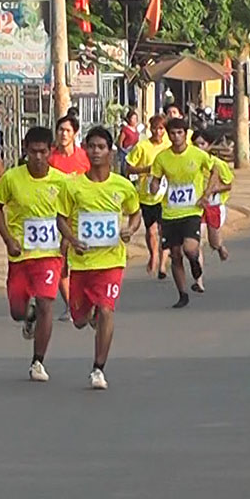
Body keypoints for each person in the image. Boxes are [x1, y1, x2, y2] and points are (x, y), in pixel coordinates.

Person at [56, 127, 141, 390]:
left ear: (110, 152)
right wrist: (71, 239)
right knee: (80, 320)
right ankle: (89, 313)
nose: (95, 152)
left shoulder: (122, 186)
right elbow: (61, 218)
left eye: (101, 147)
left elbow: (135, 212)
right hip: (82, 262)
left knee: (107, 309)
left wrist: (130, 228)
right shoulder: (73, 186)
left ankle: (98, 368)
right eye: (91, 147)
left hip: (111, 261)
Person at [0, 126, 67, 382]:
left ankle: (38, 362)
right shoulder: (12, 178)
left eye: (42, 152)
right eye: (32, 151)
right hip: (20, 255)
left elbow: (69, 216)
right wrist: (8, 239)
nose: (37, 157)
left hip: (49, 255)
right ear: (25, 150)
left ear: (50, 152)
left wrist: (67, 245)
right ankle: (28, 317)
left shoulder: (61, 182)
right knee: (17, 310)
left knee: (46, 302)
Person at [150, 117, 215, 307]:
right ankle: (182, 294)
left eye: (180, 133)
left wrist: (207, 193)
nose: (176, 136)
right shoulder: (162, 158)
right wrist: (153, 186)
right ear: (168, 136)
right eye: (172, 133)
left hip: (192, 210)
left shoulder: (197, 154)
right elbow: (156, 178)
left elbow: (214, 171)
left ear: (186, 134)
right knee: (175, 254)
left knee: (189, 248)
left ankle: (195, 262)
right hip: (170, 213)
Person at [48, 115, 90, 320]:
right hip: (55, 217)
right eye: (60, 130)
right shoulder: (50, 159)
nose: (63, 134)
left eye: (67, 130)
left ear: (75, 134)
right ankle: (70, 305)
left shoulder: (84, 157)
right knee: (60, 263)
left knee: (83, 262)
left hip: (82, 218)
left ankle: (88, 301)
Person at [124, 115, 169, 280]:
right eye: (155, 128)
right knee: (151, 231)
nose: (158, 132)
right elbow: (129, 167)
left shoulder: (169, 146)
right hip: (146, 195)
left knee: (164, 230)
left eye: (161, 128)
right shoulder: (142, 147)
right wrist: (147, 170)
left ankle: (162, 263)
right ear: (150, 129)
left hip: (165, 196)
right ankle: (153, 255)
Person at [192, 129, 233, 261]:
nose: (199, 148)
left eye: (202, 144)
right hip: (195, 206)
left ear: (209, 145)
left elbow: (228, 185)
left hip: (213, 205)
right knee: (198, 240)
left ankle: (219, 246)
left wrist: (215, 189)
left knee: (213, 241)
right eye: (195, 145)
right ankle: (198, 278)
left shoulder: (218, 164)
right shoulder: (190, 162)